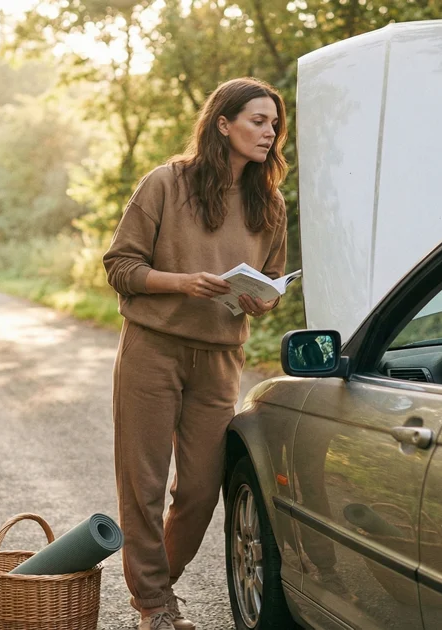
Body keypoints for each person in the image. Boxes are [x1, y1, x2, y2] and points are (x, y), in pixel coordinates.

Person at [103, 77, 290, 630]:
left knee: (202, 490)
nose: (269, 132)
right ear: (223, 123)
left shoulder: (270, 203)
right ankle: (156, 605)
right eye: (258, 121)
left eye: (275, 124)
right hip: (152, 349)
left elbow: (273, 279)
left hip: (219, 358)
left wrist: (261, 301)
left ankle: (155, 586)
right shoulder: (164, 184)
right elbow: (121, 267)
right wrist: (180, 283)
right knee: (143, 484)